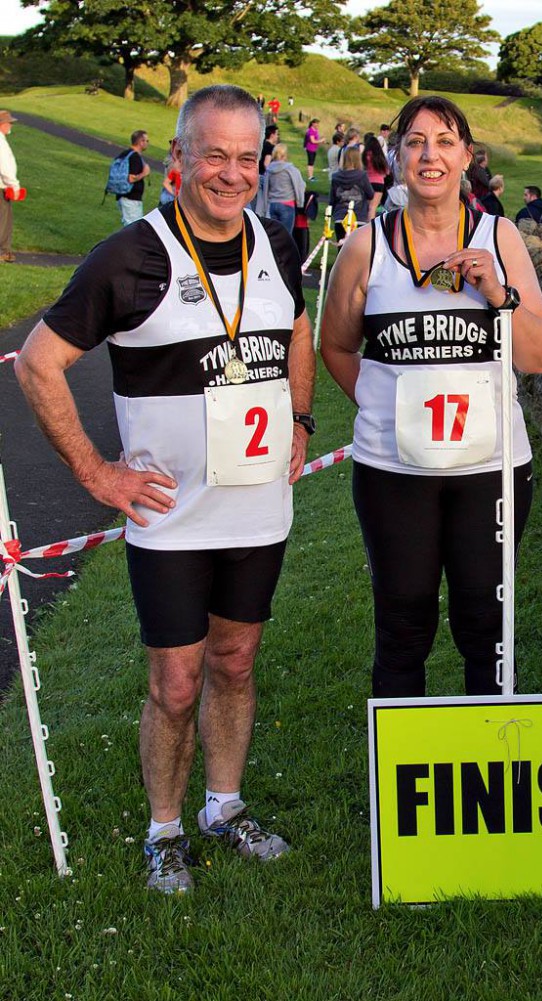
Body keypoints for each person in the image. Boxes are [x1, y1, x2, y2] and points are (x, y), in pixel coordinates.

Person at [14, 84, 316, 894]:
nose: (229, 173)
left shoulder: (278, 240)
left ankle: (224, 804)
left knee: (238, 661)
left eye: (245, 157)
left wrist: (303, 419)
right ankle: (165, 829)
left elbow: (296, 327)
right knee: (176, 681)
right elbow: (40, 362)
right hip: (171, 517)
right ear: (177, 159)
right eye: (212, 154)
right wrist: (95, 471)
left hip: (257, 506)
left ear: (264, 162)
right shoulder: (130, 256)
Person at [319, 95, 542, 698]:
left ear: (467, 157)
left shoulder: (499, 236)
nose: (431, 155)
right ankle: (405, 784)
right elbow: (338, 348)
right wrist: (384, 409)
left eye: (445, 142)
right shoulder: (364, 248)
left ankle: (486, 768)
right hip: (394, 471)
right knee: (403, 626)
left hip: (491, 470)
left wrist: (499, 293)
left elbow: (539, 356)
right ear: (397, 156)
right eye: (417, 142)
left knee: (485, 625)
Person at [265, 144, 306, 248]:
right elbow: (299, 185)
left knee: (273, 236)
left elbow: (266, 187)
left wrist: (266, 204)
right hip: (287, 204)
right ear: (285, 155)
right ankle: (284, 260)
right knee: (286, 236)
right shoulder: (290, 169)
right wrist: (300, 202)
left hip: (273, 204)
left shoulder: (269, 169)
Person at [330, 146, 374, 239]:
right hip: (358, 217)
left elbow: (332, 199)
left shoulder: (336, 177)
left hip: (341, 216)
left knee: (342, 249)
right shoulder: (362, 176)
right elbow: (370, 194)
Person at [0, 109, 23, 263]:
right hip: (2, 187)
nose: (10, 126)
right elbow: (5, 167)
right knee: (3, 221)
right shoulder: (0, 143)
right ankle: (2, 251)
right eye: (8, 123)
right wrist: (14, 186)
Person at [116, 129, 150, 227]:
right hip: (130, 199)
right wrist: (144, 173)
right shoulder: (134, 157)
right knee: (133, 229)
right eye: (146, 141)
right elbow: (131, 179)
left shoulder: (125, 153)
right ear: (141, 142)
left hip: (124, 196)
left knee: (132, 228)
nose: (147, 143)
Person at [362, 132, 389, 217]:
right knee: (373, 208)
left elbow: (362, 168)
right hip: (379, 183)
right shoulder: (380, 157)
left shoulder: (365, 155)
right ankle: (371, 227)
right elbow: (386, 172)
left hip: (367, 182)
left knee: (366, 207)